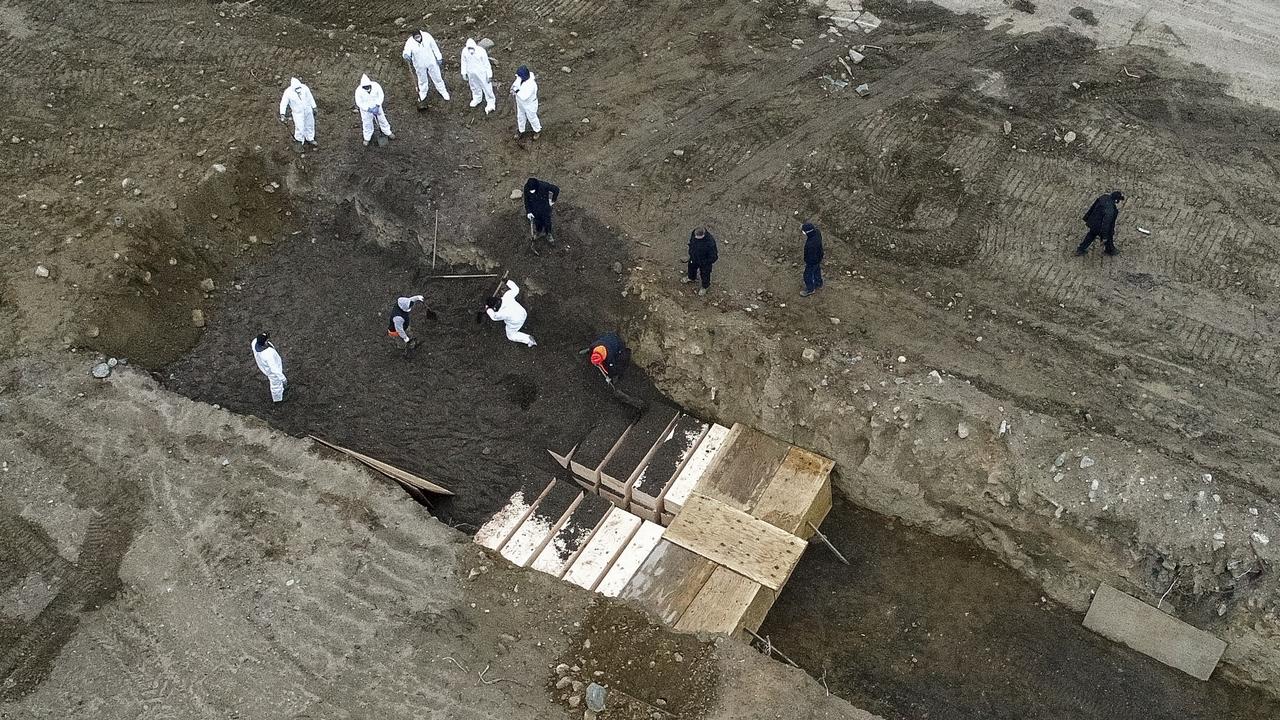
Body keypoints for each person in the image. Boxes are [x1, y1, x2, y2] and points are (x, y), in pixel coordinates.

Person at [402, 30, 449, 109]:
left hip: (431, 62)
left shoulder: (427, 36)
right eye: (416, 37)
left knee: (437, 77)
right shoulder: (409, 42)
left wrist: (439, 57)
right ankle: (423, 93)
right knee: (422, 80)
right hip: (419, 65)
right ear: (413, 37)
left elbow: (434, 47)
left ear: (421, 34)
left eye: (418, 36)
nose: (418, 38)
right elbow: (406, 51)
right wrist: (406, 55)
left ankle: (443, 91)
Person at [485, 280, 537, 347]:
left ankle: (528, 339)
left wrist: (488, 309)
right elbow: (516, 289)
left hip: (517, 322)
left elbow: (494, 317)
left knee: (510, 335)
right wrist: (507, 281)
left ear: (494, 308)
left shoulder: (501, 313)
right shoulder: (507, 296)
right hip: (523, 313)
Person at [1076, 191, 1124, 256]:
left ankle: (1080, 249)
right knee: (1109, 236)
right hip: (1099, 226)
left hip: (1093, 221)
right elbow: (1106, 224)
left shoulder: (1103, 197)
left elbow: (1093, 207)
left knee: (1091, 235)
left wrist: (1087, 218)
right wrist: (1104, 236)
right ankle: (1110, 250)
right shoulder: (1111, 210)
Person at [278, 77, 317, 152]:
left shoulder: (305, 88)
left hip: (307, 110)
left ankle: (310, 138)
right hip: (298, 113)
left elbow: (310, 97)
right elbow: (283, 103)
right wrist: (282, 114)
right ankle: (299, 142)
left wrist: (314, 106)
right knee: (300, 127)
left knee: (310, 124)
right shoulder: (288, 92)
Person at [355, 74, 394, 146]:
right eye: (364, 87)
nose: (366, 88)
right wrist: (368, 109)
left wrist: (378, 105)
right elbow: (359, 102)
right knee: (367, 123)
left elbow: (381, 95)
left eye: (367, 86)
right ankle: (367, 137)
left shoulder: (376, 86)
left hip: (377, 107)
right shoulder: (358, 91)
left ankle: (387, 132)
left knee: (382, 119)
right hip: (366, 111)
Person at [460, 39, 495, 113]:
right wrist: (464, 72)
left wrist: (489, 75)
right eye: (469, 48)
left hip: (482, 73)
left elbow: (486, 64)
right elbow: (463, 62)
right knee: (474, 86)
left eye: (472, 48)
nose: (470, 50)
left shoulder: (481, 51)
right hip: (471, 73)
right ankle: (477, 98)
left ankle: (491, 102)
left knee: (487, 87)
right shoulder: (464, 51)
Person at [251, 333, 286, 403]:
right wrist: (283, 378)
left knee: (277, 383)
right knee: (276, 385)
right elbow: (274, 369)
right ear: (265, 342)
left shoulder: (254, 342)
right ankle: (277, 399)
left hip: (264, 366)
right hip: (272, 372)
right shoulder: (268, 354)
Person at [524, 177, 560, 243]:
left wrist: (552, 201)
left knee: (547, 222)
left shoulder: (544, 186)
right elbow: (526, 200)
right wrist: (528, 211)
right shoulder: (527, 187)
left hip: (544, 208)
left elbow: (556, 189)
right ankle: (539, 231)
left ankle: (548, 233)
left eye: (533, 190)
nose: (531, 192)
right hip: (534, 209)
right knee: (537, 222)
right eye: (530, 191)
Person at [684, 227, 718, 295]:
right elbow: (691, 242)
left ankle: (705, 287)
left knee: (705, 274)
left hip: (704, 262)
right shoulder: (694, 233)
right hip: (694, 257)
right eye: (695, 236)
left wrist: (705, 262)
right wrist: (691, 253)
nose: (695, 238)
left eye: (697, 237)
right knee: (691, 268)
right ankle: (691, 277)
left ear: (703, 235)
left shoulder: (710, 243)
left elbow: (714, 257)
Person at [510, 65, 541, 139]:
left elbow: (524, 96)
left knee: (532, 118)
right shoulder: (520, 77)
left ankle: (537, 130)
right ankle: (521, 130)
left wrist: (516, 91)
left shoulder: (531, 85)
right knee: (520, 116)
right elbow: (516, 83)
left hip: (529, 104)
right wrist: (512, 88)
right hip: (520, 103)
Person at [801, 222, 824, 297]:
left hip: (812, 261)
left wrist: (807, 261)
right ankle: (819, 283)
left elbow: (809, 255)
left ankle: (810, 289)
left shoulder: (811, 244)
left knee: (807, 275)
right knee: (817, 270)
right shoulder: (817, 233)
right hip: (819, 257)